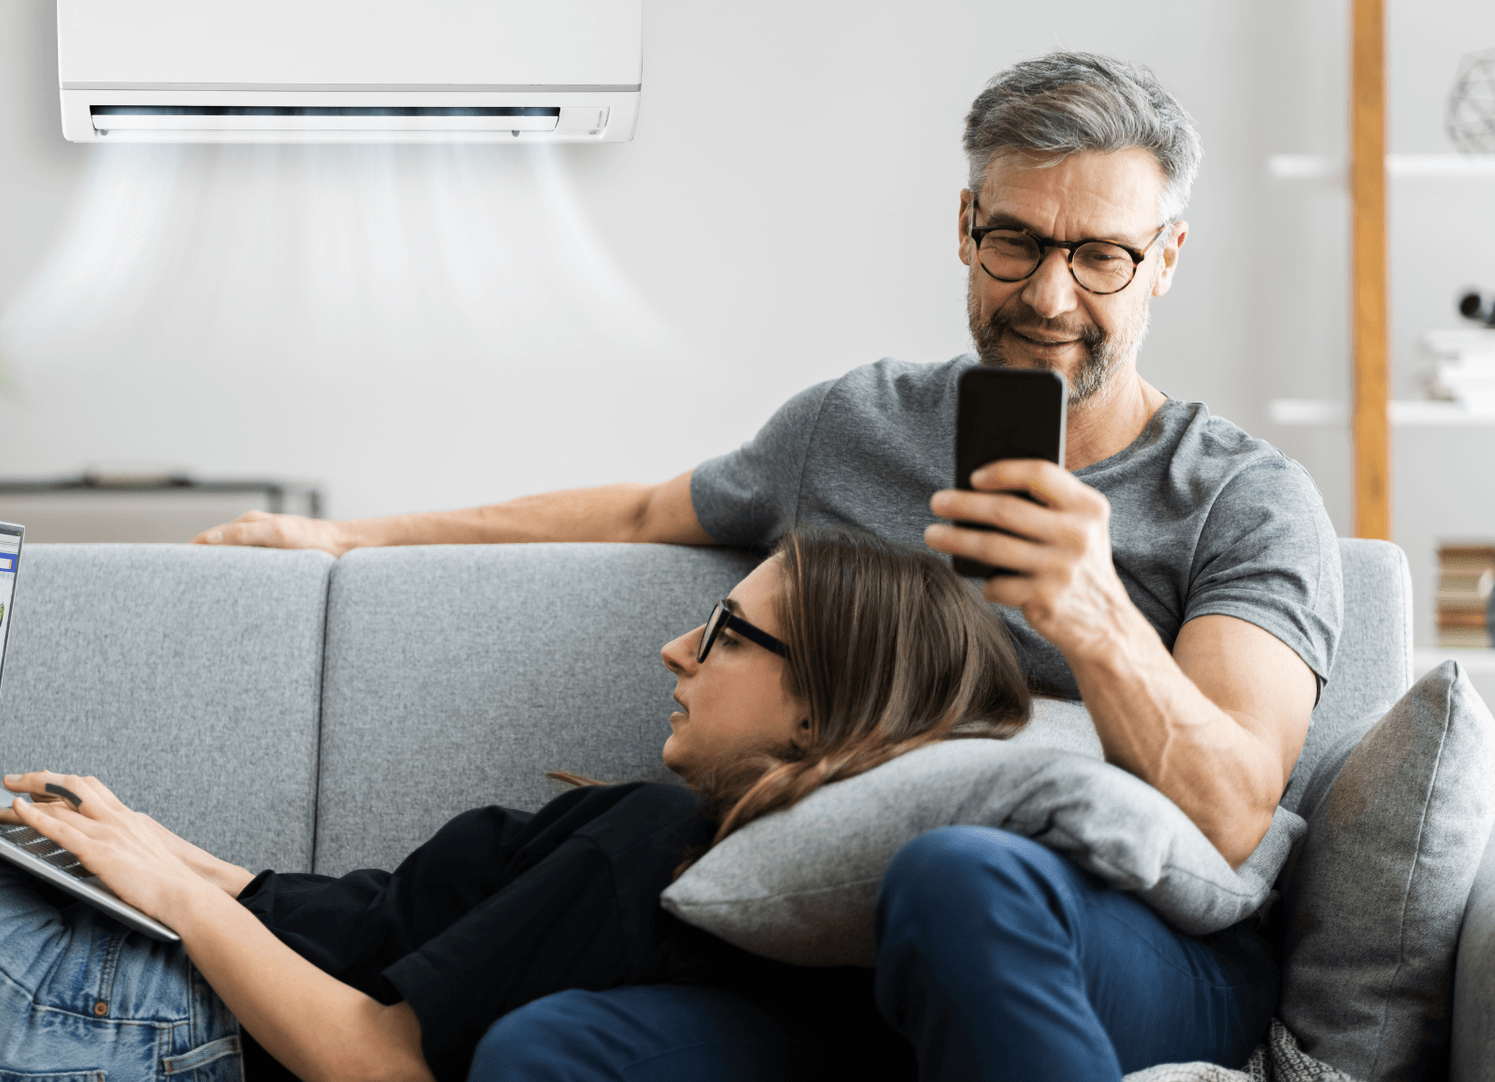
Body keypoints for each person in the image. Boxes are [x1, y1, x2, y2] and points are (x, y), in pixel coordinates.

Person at [196, 52, 1340, 1080]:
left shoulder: (1240, 498)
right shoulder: (855, 426)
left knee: (958, 879)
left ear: (1166, 258)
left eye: (1100, 256)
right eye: (1017, 242)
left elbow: (1236, 809)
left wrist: (1094, 618)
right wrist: (348, 537)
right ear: (964, 224)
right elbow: (648, 507)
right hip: (833, 956)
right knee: (545, 1047)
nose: (1049, 296)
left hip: (1122, 950)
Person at [0, 531, 1021, 1081]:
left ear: (825, 704)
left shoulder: (666, 847)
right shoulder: (663, 835)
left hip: (115, 1042)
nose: (674, 645)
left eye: (725, 631)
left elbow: (377, 1059)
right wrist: (157, 845)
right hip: (127, 996)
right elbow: (368, 922)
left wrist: (174, 898)